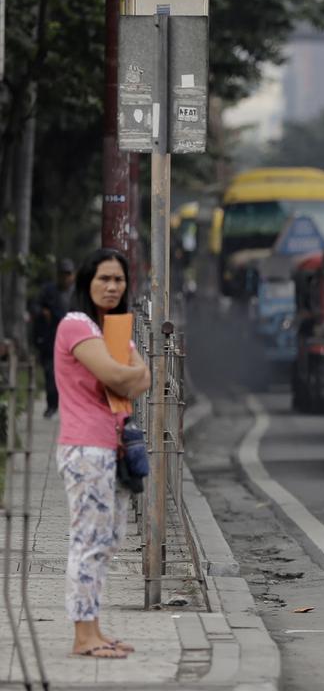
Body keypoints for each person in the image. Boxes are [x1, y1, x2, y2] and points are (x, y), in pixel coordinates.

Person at [54, 248, 150, 659]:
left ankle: (94, 628)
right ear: (86, 283)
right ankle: (82, 636)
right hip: (85, 448)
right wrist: (131, 373)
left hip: (113, 449)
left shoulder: (114, 331)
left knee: (110, 539)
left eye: (118, 280)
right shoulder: (75, 326)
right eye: (103, 279)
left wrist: (133, 374)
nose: (112, 287)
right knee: (89, 541)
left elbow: (143, 380)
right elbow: (121, 376)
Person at [34, 258, 75, 417]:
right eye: (62, 274)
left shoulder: (78, 292)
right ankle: (52, 404)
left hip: (72, 340)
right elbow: (36, 306)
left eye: (68, 274)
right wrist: (43, 313)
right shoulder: (48, 290)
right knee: (50, 373)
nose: (65, 278)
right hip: (51, 339)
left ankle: (67, 405)